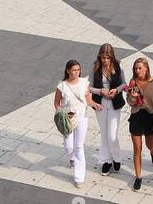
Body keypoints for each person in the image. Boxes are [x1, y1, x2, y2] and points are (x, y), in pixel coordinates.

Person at [54, 60, 97, 188]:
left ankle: (79, 177)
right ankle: (72, 157)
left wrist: (95, 104)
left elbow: (88, 99)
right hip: (68, 119)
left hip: (82, 118)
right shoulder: (62, 86)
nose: (76, 72)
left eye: (78, 70)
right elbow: (57, 103)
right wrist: (62, 112)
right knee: (69, 147)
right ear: (68, 70)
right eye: (73, 70)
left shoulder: (84, 82)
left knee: (79, 146)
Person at [124, 57, 153, 191]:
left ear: (146, 68)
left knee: (148, 144)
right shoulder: (133, 82)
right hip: (136, 116)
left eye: (140, 68)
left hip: (150, 117)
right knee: (137, 148)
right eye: (135, 68)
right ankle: (138, 177)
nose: (137, 70)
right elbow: (129, 101)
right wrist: (132, 97)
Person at [90, 44, 127, 175]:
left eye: (108, 58)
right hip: (100, 104)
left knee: (112, 134)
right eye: (103, 58)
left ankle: (116, 158)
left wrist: (116, 90)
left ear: (112, 57)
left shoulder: (118, 66)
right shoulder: (95, 68)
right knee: (104, 133)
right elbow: (89, 87)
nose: (105, 61)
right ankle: (106, 161)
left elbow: (124, 84)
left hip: (114, 103)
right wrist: (100, 91)